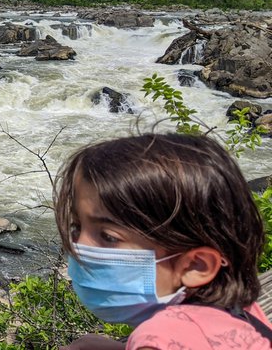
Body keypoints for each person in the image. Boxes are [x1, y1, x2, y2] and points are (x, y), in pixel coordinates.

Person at [54, 132, 272, 349]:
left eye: (109, 236)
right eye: (76, 227)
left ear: (197, 265)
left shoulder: (159, 337)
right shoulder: (238, 310)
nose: (78, 246)